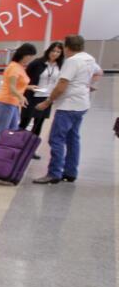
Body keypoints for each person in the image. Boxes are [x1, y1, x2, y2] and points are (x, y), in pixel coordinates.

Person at [34, 35, 99, 185]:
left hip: (68, 106)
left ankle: (54, 173)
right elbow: (97, 73)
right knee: (73, 138)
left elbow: (62, 84)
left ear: (66, 47)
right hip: (82, 104)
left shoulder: (72, 61)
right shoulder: (89, 58)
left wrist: (48, 101)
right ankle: (70, 172)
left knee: (56, 139)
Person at [20, 42, 63, 151]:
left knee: (38, 124)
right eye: (53, 51)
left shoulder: (60, 66)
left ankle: (31, 149)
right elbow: (24, 78)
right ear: (48, 51)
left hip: (46, 97)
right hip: (32, 95)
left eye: (58, 52)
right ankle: (17, 145)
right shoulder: (37, 63)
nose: (55, 54)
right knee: (25, 121)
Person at [0, 43, 37, 143]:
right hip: (6, 101)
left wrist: (29, 87)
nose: (30, 59)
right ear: (24, 54)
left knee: (12, 129)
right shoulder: (14, 67)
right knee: (2, 129)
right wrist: (21, 97)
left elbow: (17, 84)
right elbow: (11, 87)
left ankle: (5, 150)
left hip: (13, 102)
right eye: (30, 56)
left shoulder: (19, 67)